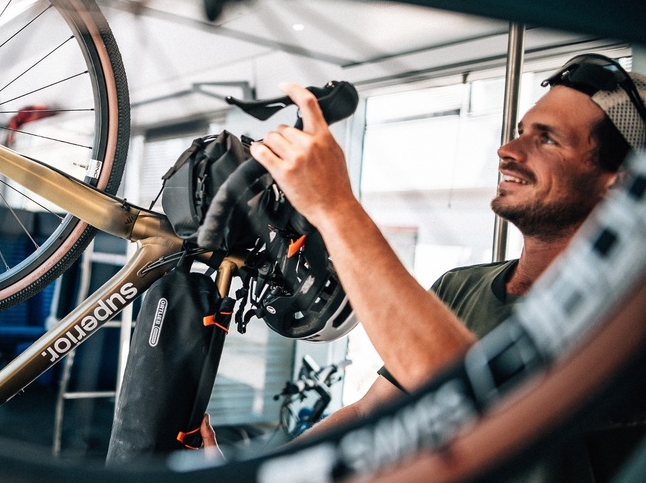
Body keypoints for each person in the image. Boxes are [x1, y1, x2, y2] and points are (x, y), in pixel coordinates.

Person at [201, 53, 646, 481]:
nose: (507, 150)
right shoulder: (461, 286)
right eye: (520, 131)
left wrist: (333, 204)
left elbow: (484, 414)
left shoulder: (625, 324)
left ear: (621, 184)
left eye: (546, 138)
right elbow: (371, 414)